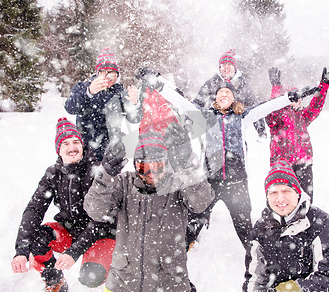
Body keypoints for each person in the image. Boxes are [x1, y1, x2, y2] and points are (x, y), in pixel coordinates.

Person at [136, 67, 319, 251]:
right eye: (220, 92)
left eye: (228, 92)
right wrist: (156, 83)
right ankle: (179, 256)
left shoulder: (243, 117)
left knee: (246, 230)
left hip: (237, 183)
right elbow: (181, 102)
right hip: (210, 182)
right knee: (194, 221)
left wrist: (289, 97)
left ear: (234, 98)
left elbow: (266, 107)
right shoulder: (205, 116)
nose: (224, 94)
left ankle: (257, 263)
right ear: (216, 98)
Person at [84, 131, 215, 292]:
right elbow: (95, 211)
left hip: (169, 286)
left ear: (167, 164)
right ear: (136, 165)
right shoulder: (124, 183)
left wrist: (188, 166)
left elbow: (201, 203)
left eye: (158, 166)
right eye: (144, 168)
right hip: (122, 285)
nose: (151, 174)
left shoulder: (177, 184)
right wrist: (105, 176)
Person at [11, 118, 120, 292]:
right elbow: (34, 210)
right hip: (70, 230)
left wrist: (74, 251)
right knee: (37, 241)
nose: (72, 147)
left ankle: (114, 286)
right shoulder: (53, 173)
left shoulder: (98, 171)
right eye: (66, 143)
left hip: (101, 232)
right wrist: (21, 249)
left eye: (76, 142)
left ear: (83, 146)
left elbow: (101, 219)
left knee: (91, 276)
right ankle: (55, 281)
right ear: (58, 150)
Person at [242, 161, 329, 292]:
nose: (280, 198)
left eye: (286, 190)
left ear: (297, 193)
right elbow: (255, 279)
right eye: (273, 192)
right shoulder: (261, 228)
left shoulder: (318, 222)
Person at [266, 65, 329, 202]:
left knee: (306, 201)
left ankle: (307, 221)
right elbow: (271, 112)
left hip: (304, 164)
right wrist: (276, 88)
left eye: (300, 98)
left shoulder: (303, 116)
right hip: (282, 166)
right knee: (283, 201)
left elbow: (315, 106)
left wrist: (324, 85)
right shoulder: (277, 117)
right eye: (294, 97)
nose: (298, 100)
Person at [64, 47, 140, 161]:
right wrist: (89, 92)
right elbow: (70, 107)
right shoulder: (83, 87)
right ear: (97, 73)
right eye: (103, 72)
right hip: (84, 152)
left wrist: (135, 104)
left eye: (111, 73)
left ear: (117, 75)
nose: (107, 77)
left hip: (111, 154)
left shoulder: (121, 94)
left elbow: (134, 119)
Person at [193, 49, 267, 140]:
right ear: (220, 67)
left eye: (230, 64)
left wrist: (261, 129)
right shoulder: (211, 83)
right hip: (215, 127)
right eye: (224, 64)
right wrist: (188, 122)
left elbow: (254, 107)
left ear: (235, 67)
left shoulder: (243, 85)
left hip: (236, 127)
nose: (226, 67)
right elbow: (197, 103)